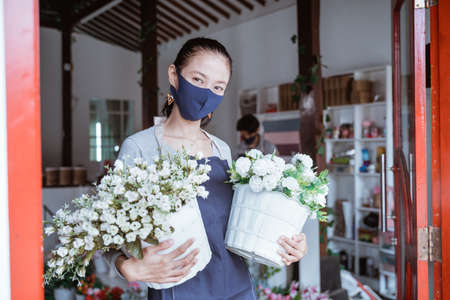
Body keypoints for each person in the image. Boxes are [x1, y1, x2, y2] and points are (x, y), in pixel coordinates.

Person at [104, 37, 307, 300]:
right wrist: (126, 266)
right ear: (174, 76)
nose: (206, 93)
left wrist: (288, 240)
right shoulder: (141, 148)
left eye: (218, 86)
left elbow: (245, 220)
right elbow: (104, 232)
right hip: (178, 290)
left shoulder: (222, 150)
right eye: (198, 80)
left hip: (237, 287)